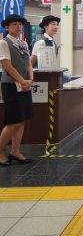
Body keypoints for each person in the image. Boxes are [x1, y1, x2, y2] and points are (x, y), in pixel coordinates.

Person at [0, 14, 34, 166]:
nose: (18, 27)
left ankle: (15, 151)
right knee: (13, 121)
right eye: (14, 24)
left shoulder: (23, 44)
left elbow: (28, 64)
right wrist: (22, 81)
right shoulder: (3, 43)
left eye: (20, 24)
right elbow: (7, 66)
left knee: (22, 120)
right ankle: (0, 152)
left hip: (25, 85)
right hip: (11, 85)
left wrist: (30, 79)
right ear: (7, 27)